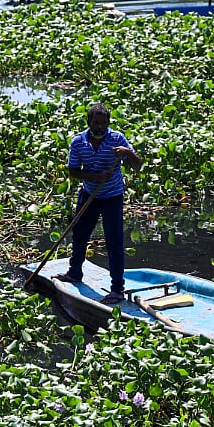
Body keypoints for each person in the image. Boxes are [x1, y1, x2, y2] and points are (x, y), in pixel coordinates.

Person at [53, 103, 142, 304]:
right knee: (80, 235)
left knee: (114, 242)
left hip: (112, 195)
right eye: (96, 122)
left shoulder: (117, 139)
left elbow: (138, 166)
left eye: (103, 123)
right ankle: (75, 272)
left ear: (108, 124)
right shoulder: (78, 142)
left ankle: (117, 289)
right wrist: (96, 176)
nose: (100, 127)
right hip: (89, 193)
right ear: (89, 122)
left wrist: (127, 153)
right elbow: (73, 171)